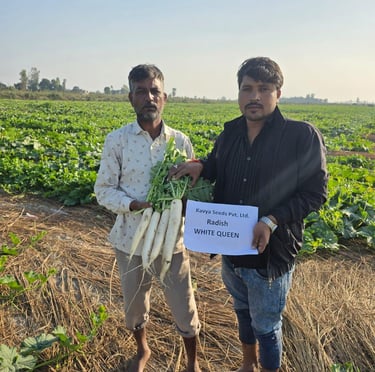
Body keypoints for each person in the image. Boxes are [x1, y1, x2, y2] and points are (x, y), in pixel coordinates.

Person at [169, 57, 328, 372]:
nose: (255, 96)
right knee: (242, 311)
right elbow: (217, 165)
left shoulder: (301, 136)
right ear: (239, 92)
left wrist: (271, 220)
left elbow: (314, 194)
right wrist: (202, 166)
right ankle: (247, 364)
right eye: (247, 88)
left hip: (270, 255)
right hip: (232, 249)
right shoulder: (230, 133)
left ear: (277, 93)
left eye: (264, 89)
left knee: (267, 325)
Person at [94, 64, 201, 372]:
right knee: (134, 306)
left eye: (155, 91)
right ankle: (143, 350)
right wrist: (135, 204)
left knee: (184, 306)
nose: (149, 97)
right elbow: (103, 190)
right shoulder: (117, 141)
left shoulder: (180, 142)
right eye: (141, 91)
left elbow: (190, 190)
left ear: (164, 97)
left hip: (172, 241)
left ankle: (192, 362)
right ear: (131, 98)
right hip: (131, 238)